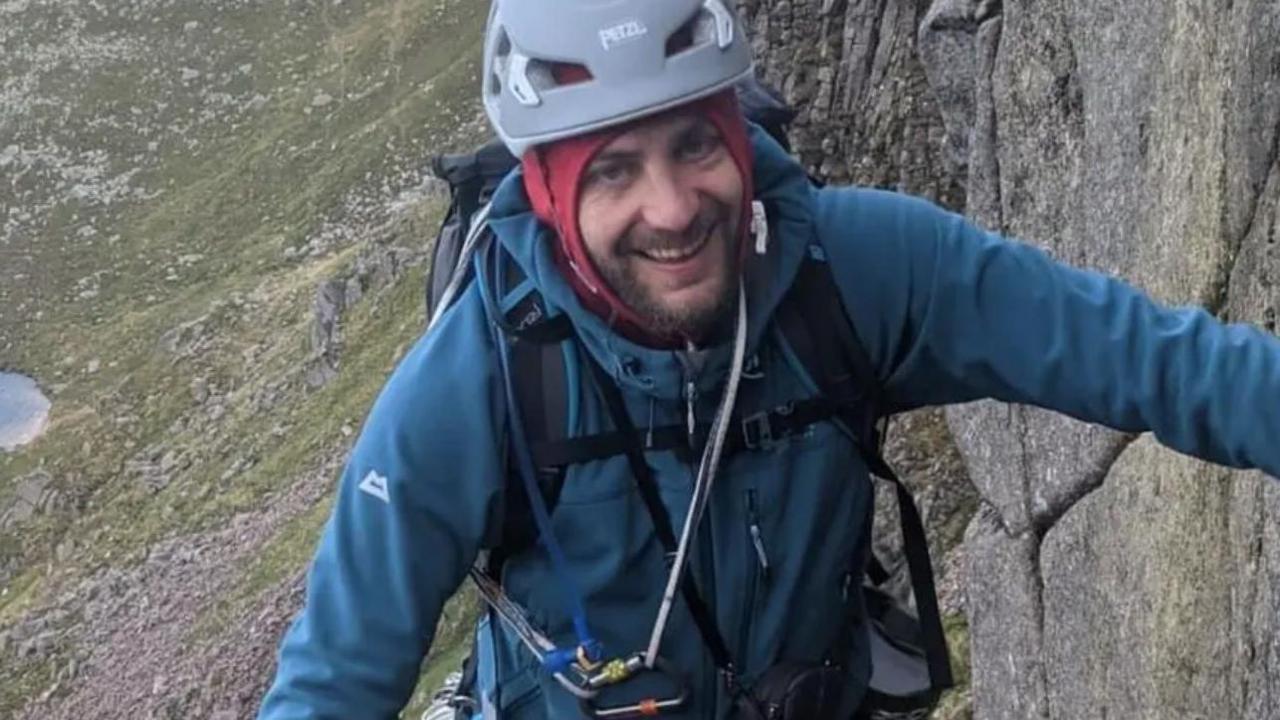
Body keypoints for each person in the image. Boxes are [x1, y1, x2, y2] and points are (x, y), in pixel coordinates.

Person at [257, 0, 1280, 718]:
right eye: (612, 171)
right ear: (548, 195)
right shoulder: (477, 378)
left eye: (694, 146)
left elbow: (1163, 365)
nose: (669, 208)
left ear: (738, 139)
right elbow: (334, 681)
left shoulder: (858, 269)